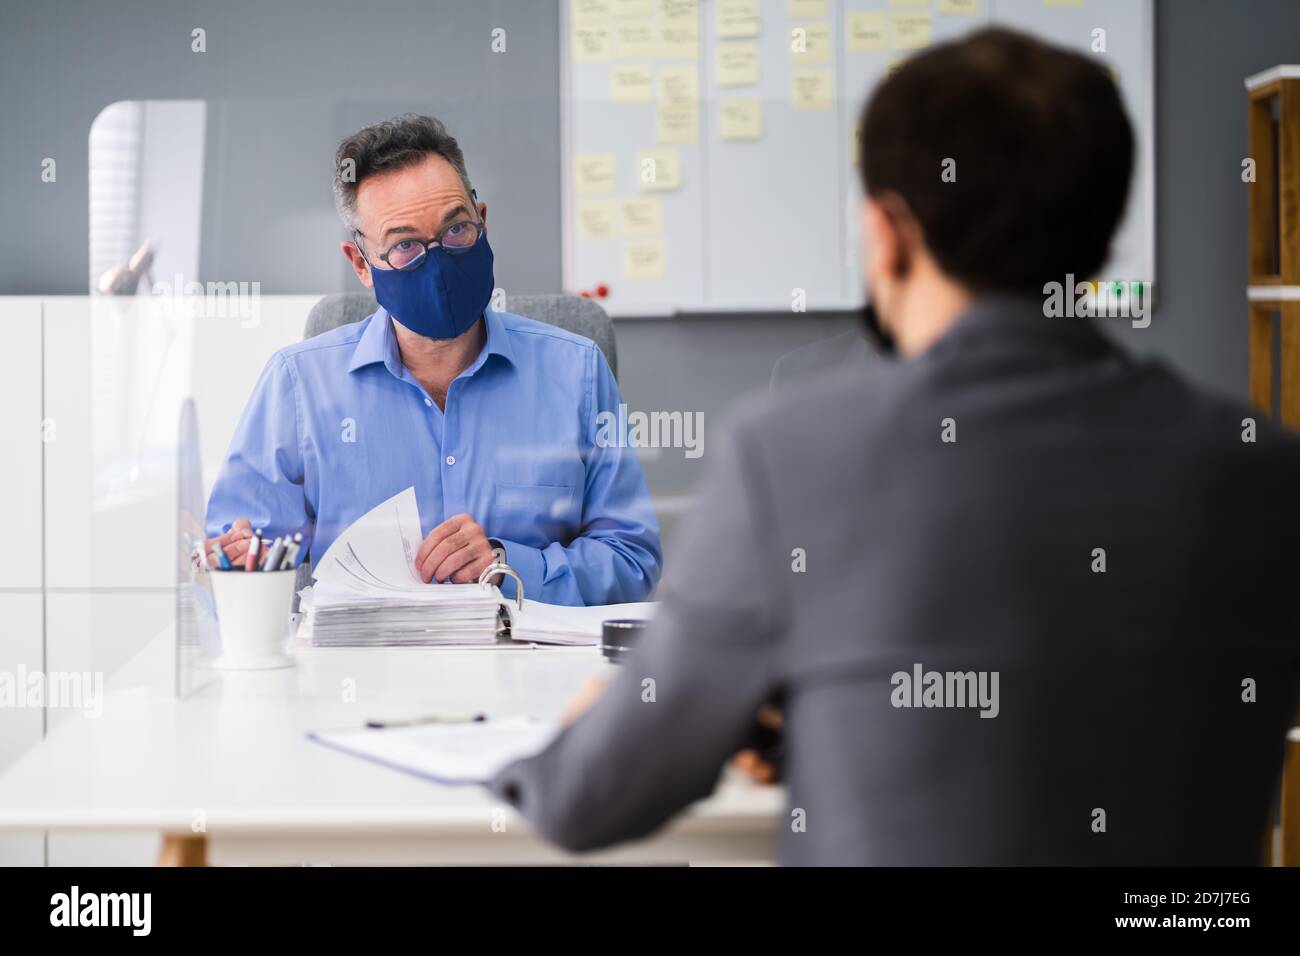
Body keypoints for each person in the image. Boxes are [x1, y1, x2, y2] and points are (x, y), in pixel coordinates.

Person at [488, 28, 1300, 864]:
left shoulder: (794, 456)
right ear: (1104, 226)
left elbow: (589, 799)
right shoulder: (1262, 471)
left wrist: (576, 744)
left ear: (887, 232)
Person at [206, 115, 661, 606]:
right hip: (362, 676)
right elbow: (235, 573)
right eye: (404, 245)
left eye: (457, 230)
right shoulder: (297, 386)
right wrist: (236, 568)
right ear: (361, 264)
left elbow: (633, 562)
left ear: (482, 220)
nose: (439, 261)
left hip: (530, 671)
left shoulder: (577, 373)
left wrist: (506, 564)